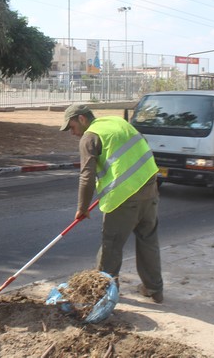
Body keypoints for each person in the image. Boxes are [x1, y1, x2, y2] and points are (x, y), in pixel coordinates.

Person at [60, 104, 164, 303]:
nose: (72, 133)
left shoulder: (89, 137)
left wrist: (82, 208)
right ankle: (155, 290)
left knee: (111, 246)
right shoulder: (117, 122)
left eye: (71, 127)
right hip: (150, 189)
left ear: (82, 119)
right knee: (148, 241)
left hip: (124, 197)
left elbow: (86, 176)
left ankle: (103, 295)